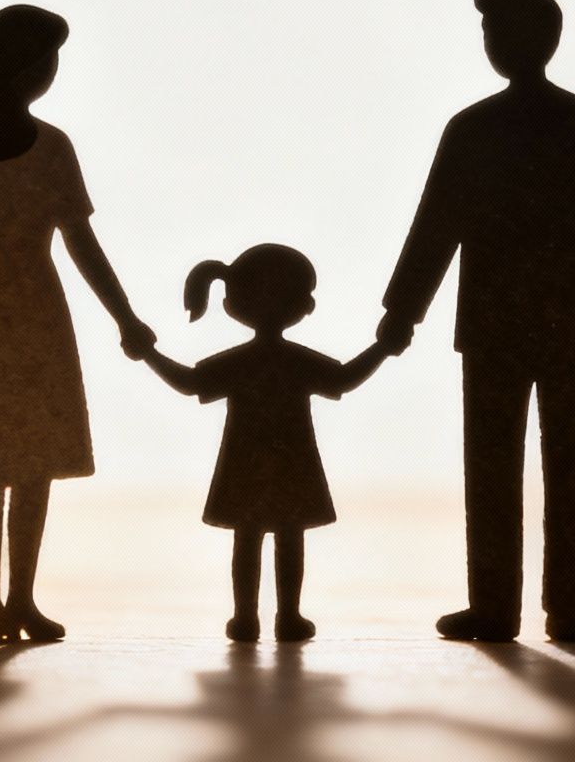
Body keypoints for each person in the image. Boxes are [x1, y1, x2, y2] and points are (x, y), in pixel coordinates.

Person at [377, 0, 575, 643]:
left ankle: (504, 606)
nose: (494, 47)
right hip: (567, 326)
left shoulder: (477, 127)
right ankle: (564, 607)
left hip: (504, 325)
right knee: (568, 467)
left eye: (498, 35)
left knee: (499, 469)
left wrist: (404, 311)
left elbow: (437, 228)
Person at [0, 4, 156, 643]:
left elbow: (79, 241)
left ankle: (18, 597)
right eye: (47, 62)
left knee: (28, 463)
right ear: (24, 69)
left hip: (27, 313)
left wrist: (124, 315)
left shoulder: (49, 147)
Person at [142, 244, 393, 642]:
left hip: (245, 461)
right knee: (288, 536)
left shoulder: (241, 362)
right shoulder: (295, 360)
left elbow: (190, 383)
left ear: (231, 303)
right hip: (292, 460)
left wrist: (149, 355)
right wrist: (383, 348)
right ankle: (286, 617)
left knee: (249, 536)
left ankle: (247, 618)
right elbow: (343, 379)